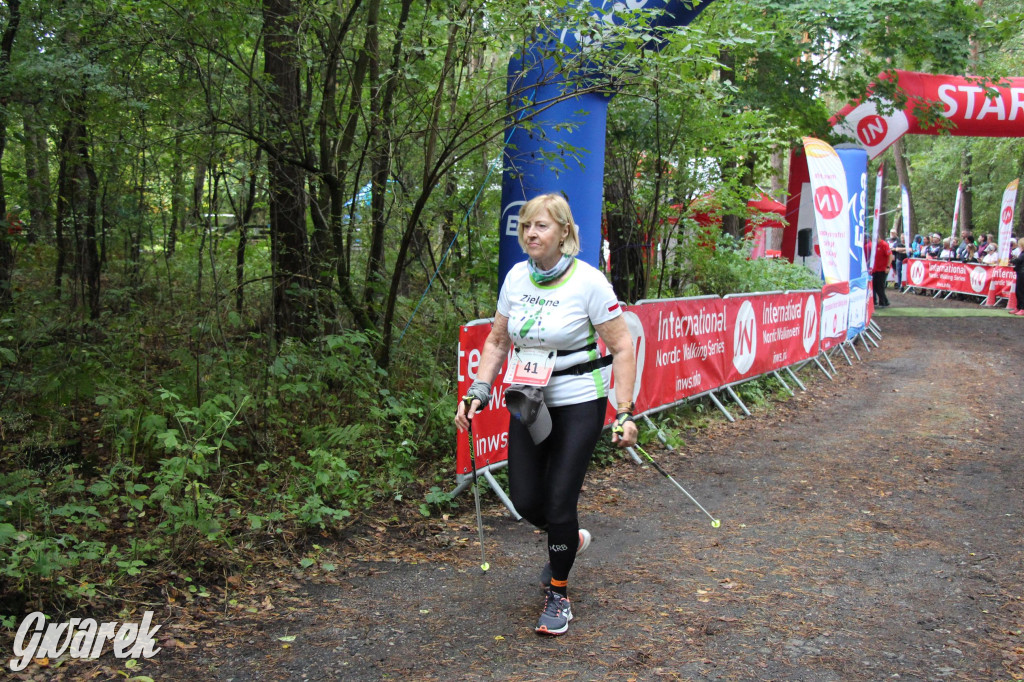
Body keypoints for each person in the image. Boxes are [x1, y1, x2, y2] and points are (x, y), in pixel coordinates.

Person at [454, 192, 638, 636]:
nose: (531, 233)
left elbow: (622, 345)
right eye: (526, 226)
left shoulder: (588, 282)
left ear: (565, 232)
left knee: (559, 500)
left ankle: (559, 593)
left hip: (578, 398)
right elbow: (498, 341)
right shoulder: (517, 277)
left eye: (542, 226)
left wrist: (626, 411)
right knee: (526, 501)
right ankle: (569, 539)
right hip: (528, 397)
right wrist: (479, 387)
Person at [871, 235, 892, 307]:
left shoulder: (884, 245)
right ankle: (885, 301)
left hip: (883, 269)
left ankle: (883, 302)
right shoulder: (875, 245)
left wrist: (888, 266)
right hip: (876, 269)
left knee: (880, 286)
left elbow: (890, 255)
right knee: (875, 286)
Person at [1011, 237, 1024, 315]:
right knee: (1018, 291)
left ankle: (1022, 308)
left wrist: (1012, 260)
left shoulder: (1022, 254)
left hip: (1022, 273)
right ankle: (1018, 307)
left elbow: (1018, 261)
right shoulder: (1021, 254)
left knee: (1021, 291)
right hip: (1020, 273)